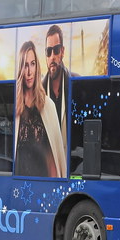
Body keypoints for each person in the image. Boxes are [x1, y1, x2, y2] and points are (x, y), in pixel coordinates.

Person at [14, 41, 64, 177]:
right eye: (25, 65)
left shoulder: (48, 106)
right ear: (20, 69)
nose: (29, 71)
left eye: (32, 64)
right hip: (19, 185)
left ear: (37, 67)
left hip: (43, 185)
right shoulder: (15, 107)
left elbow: (53, 156)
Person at [41, 24, 70, 160]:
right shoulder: (38, 91)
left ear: (62, 51)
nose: (52, 57)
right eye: (48, 51)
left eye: (56, 50)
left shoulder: (76, 83)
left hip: (72, 167)